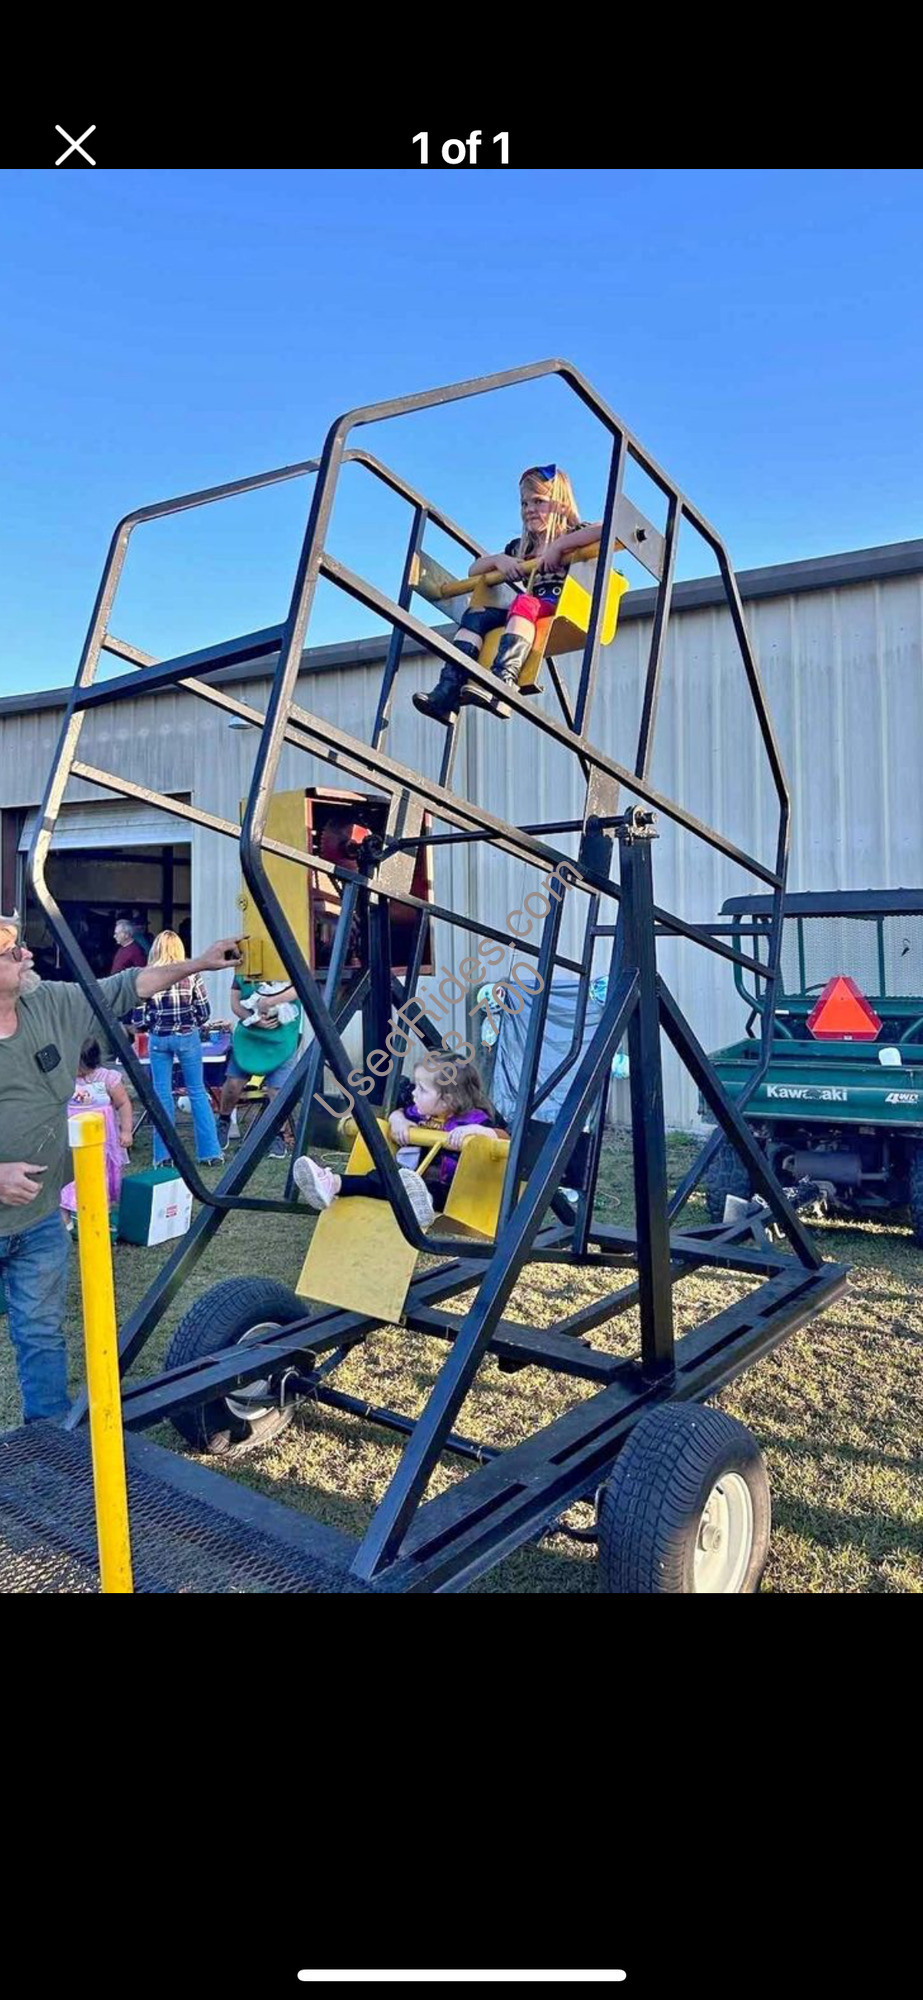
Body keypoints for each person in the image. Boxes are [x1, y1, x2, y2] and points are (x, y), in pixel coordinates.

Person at [0, 908, 241, 1424]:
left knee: (40, 1331)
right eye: (10, 949)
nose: (26, 953)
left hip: (39, 1220)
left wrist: (199, 962)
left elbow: (128, 986)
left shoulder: (49, 1001)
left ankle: (48, 1436)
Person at [413, 464, 602, 725]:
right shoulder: (521, 547)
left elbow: (606, 528)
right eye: (525, 503)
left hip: (558, 604)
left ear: (561, 505)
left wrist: (560, 546)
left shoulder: (574, 533)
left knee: (523, 602)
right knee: (477, 615)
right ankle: (448, 690)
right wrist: (499, 561)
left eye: (539, 501)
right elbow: (473, 570)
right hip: (524, 613)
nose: (530, 509)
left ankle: (503, 682)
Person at [293, 1053, 505, 1232]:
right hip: (415, 1184)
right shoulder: (422, 1114)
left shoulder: (475, 1120)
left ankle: (418, 1202)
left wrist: (479, 1131)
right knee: (386, 1176)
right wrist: (398, 1119)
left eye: (422, 1089)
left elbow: (506, 1141)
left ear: (448, 1099)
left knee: (396, 1181)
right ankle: (332, 1184)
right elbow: (399, 1112)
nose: (413, 1093)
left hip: (457, 1195)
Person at [132, 930, 223, 1169]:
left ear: (155, 949)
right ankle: (210, 1153)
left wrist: (153, 1024)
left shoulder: (145, 975)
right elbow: (204, 1011)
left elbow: (138, 1018)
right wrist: (190, 1023)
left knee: (162, 1095)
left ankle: (163, 1156)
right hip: (186, 1036)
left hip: (158, 1038)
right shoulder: (191, 973)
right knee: (197, 1091)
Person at [216, 971, 304, 1159]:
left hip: (282, 1039)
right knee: (233, 1085)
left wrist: (270, 1001)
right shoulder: (243, 968)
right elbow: (235, 1003)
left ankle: (277, 1135)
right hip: (249, 1036)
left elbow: (301, 986)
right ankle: (224, 1120)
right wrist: (256, 1021)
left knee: (277, 1092)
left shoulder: (288, 964)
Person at [59, 1038, 133, 1222]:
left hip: (103, 1141)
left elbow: (123, 1103)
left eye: (80, 1067)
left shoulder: (107, 1078)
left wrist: (126, 1131)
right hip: (70, 1139)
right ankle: (64, 1220)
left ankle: (99, 1218)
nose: (77, 1071)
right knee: (68, 1176)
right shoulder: (63, 1078)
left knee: (99, 1176)